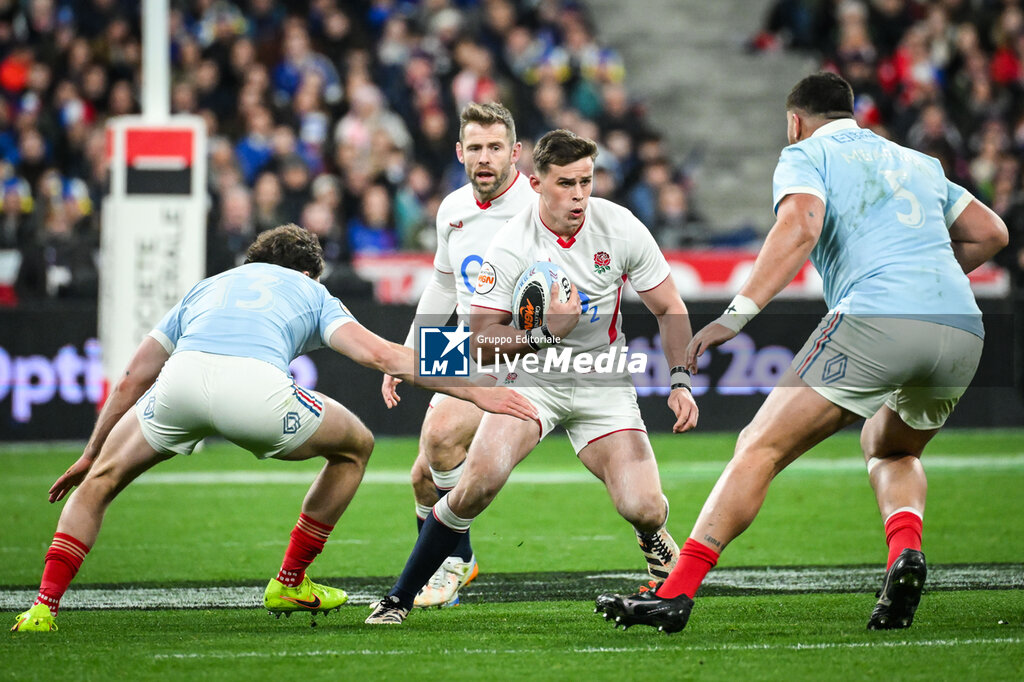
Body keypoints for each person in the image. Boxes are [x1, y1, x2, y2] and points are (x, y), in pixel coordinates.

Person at [596, 72, 1008, 634]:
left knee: (758, 447)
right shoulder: (918, 161)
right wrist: (924, 278)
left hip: (877, 317)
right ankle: (905, 552)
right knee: (890, 448)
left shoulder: (807, 153)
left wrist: (733, 317)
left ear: (795, 121)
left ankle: (675, 591)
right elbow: (991, 233)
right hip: (962, 328)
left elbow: (798, 227)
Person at [11, 224, 536, 633]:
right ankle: (290, 581)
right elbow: (385, 355)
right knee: (356, 446)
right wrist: (475, 389)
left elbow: (132, 377)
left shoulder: (208, 287)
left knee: (99, 482)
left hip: (180, 382)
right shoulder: (310, 291)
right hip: (255, 392)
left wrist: (91, 452)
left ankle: (43, 607)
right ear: (308, 272)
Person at [366, 128, 700, 625]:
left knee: (645, 506)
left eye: (586, 181)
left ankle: (652, 536)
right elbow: (480, 341)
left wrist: (679, 381)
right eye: (566, 183)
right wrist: (544, 333)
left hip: (600, 379)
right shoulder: (510, 242)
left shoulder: (620, 226)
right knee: (474, 485)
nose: (579, 195)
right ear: (538, 183)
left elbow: (669, 306)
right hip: (531, 379)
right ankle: (399, 598)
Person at [380, 102, 536, 608]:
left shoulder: (539, 206)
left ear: (515, 152)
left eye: (495, 147)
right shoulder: (451, 208)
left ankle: (456, 559)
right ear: (459, 152)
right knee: (422, 476)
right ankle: (449, 566)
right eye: (475, 148)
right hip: (465, 344)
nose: (484, 157)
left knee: (440, 435)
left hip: (517, 346)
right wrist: (409, 352)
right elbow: (444, 286)